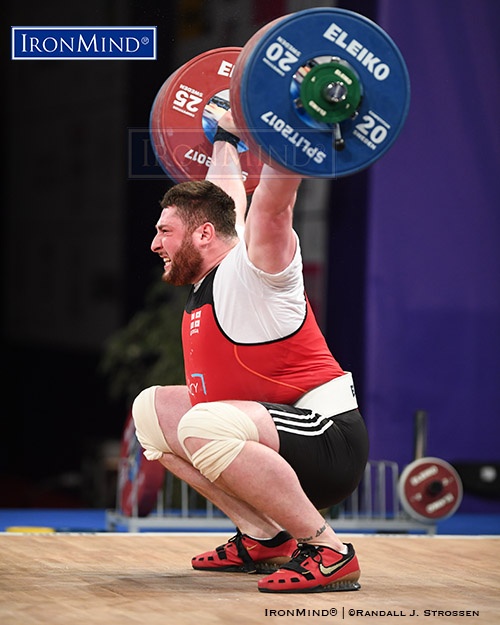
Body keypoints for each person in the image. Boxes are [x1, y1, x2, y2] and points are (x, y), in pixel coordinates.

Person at [132, 111, 369, 593]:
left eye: (164, 232)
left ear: (202, 236)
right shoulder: (207, 279)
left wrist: (296, 124)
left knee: (204, 423)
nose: (155, 243)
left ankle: (327, 550)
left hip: (329, 440)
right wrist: (226, 135)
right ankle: (264, 536)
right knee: (153, 410)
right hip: (279, 435)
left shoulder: (259, 271)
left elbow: (273, 207)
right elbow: (226, 196)